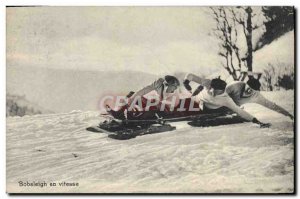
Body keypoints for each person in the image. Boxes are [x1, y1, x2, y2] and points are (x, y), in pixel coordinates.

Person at [183, 73, 294, 127]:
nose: (247, 90)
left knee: (232, 108)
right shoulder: (236, 85)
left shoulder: (256, 97)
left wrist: (258, 122)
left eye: (250, 91)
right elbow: (191, 76)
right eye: (246, 88)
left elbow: (271, 105)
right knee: (183, 103)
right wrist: (186, 83)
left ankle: (224, 113)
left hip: (219, 107)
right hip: (199, 102)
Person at [107, 75, 181, 120]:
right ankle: (119, 113)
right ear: (169, 85)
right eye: (174, 87)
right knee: (133, 95)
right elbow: (143, 91)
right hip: (154, 104)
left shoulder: (173, 94)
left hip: (163, 110)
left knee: (153, 106)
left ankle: (135, 117)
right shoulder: (159, 84)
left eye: (175, 88)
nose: (174, 89)